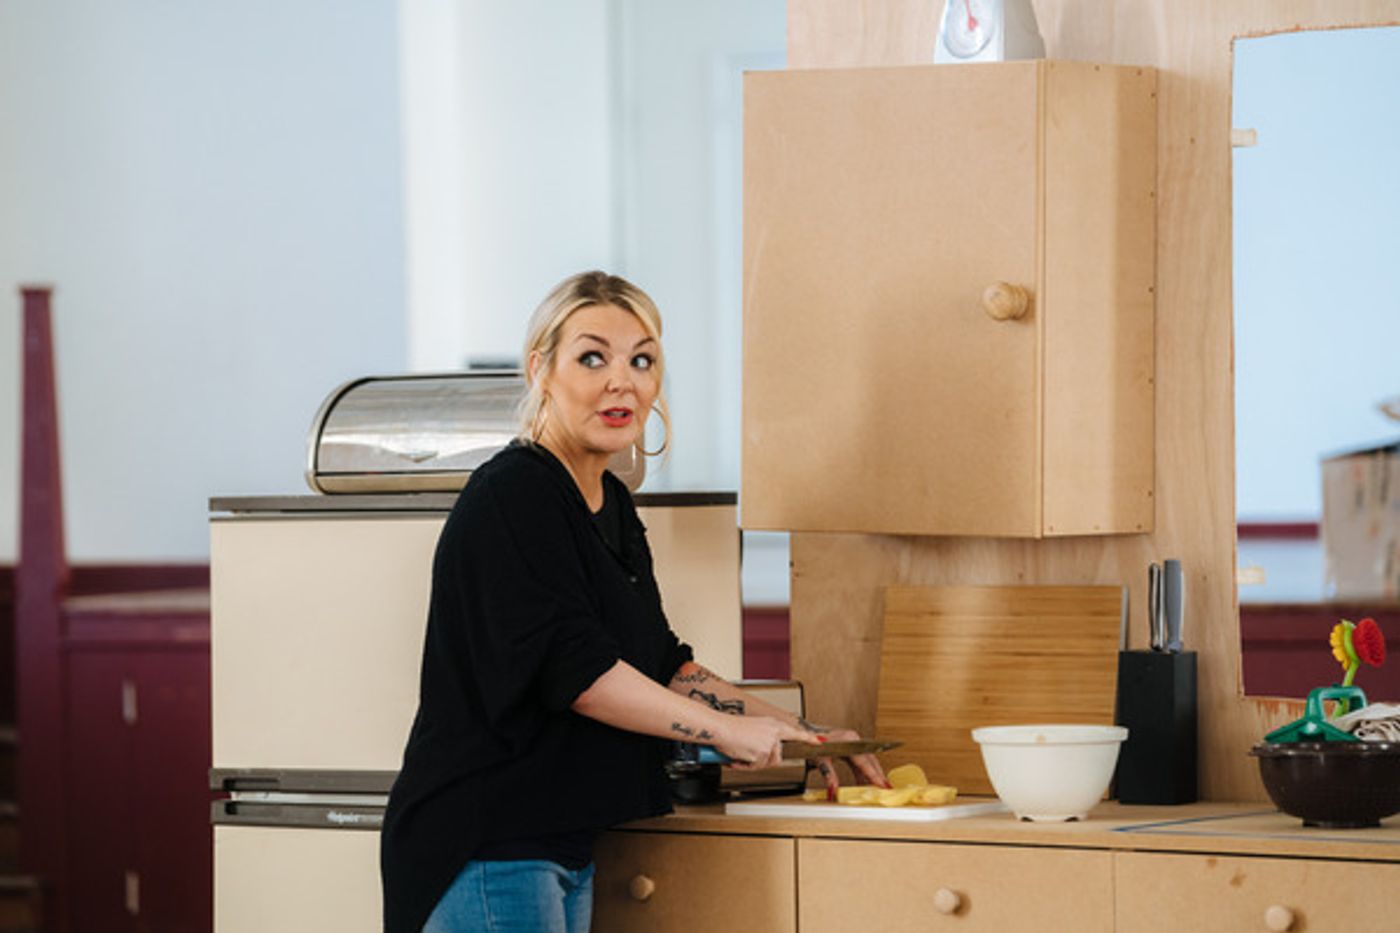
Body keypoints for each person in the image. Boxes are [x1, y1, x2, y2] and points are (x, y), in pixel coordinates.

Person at [380, 270, 888, 933]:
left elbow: (663, 664)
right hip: (486, 842)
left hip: (557, 840)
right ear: (540, 370)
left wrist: (800, 733)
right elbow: (580, 675)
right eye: (593, 358)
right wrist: (726, 732)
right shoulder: (515, 494)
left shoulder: (610, 503)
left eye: (641, 360)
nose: (623, 381)